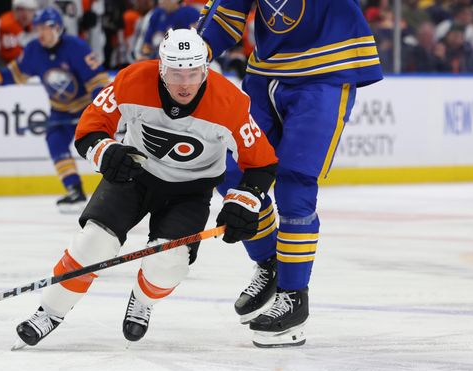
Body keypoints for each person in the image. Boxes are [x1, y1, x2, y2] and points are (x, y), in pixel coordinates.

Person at [14, 28, 278, 348]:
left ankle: (142, 300)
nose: (184, 84)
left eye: (193, 73)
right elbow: (90, 128)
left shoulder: (230, 102)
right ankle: (50, 312)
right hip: (134, 175)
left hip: (190, 191)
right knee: (93, 243)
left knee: (168, 264)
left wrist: (245, 200)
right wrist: (106, 152)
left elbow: (261, 162)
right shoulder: (134, 79)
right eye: (175, 73)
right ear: (161, 67)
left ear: (205, 69)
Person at [198, 0, 383, 347]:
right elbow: (227, 13)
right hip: (266, 74)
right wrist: (198, 47)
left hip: (327, 73)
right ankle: (270, 261)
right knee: (229, 167)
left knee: (294, 185)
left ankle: (293, 296)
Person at [0, 7, 111, 212]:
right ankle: (75, 191)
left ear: (57, 28)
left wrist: (97, 109)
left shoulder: (77, 47)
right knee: (54, 141)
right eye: (37, 28)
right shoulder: (33, 50)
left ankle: (118, 189)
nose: (40, 33)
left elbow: (98, 81)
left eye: (44, 28)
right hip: (60, 110)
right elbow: (16, 73)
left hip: (87, 108)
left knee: (98, 148)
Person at [0, 0, 38, 69]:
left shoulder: (35, 25)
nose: (26, 15)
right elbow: (12, 58)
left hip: (18, 70)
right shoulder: (5, 26)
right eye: (21, 10)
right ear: (14, 10)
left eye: (30, 10)